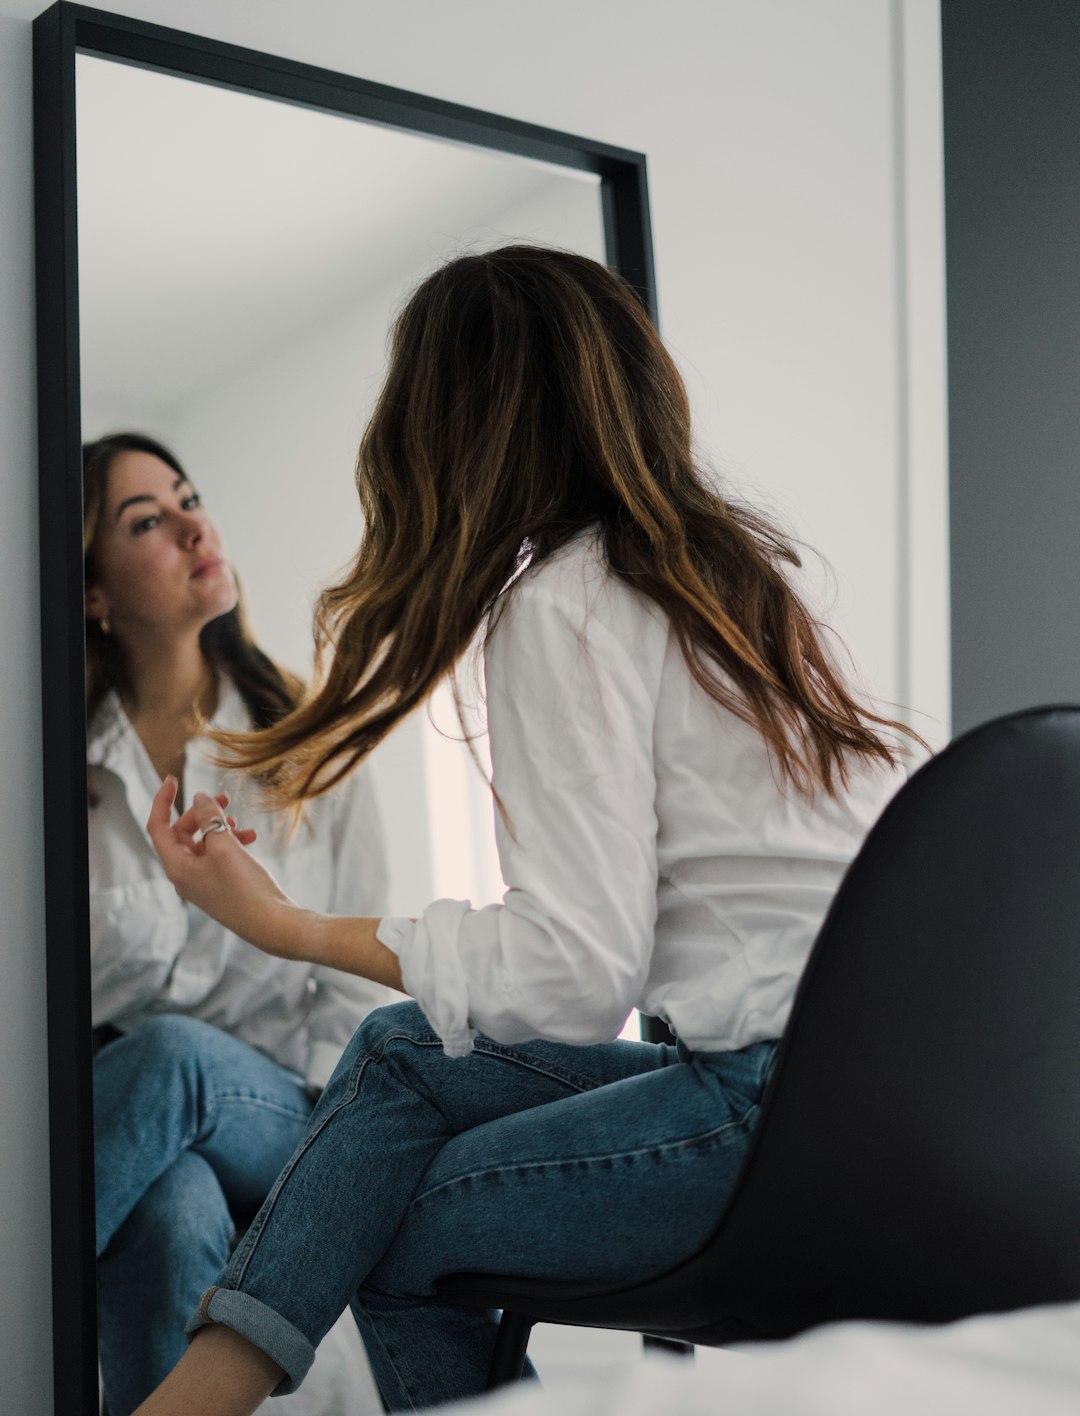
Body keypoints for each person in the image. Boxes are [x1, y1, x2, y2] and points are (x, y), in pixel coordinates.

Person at [133, 245, 917, 1416]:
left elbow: (571, 976)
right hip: (898, 1098)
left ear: (449, 428)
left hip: (773, 1118)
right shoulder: (747, 580)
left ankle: (192, 1400)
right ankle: (202, 1391)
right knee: (400, 1057)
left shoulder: (567, 599)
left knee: (396, 1227)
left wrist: (286, 927)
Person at [83, 432, 394, 1416]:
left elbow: (359, 980)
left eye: (188, 499)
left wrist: (332, 1162)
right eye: (146, 521)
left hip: (295, 1114)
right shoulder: (65, 782)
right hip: (132, 1117)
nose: (191, 525)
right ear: (93, 595)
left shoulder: (305, 738)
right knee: (172, 1207)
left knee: (175, 1054)